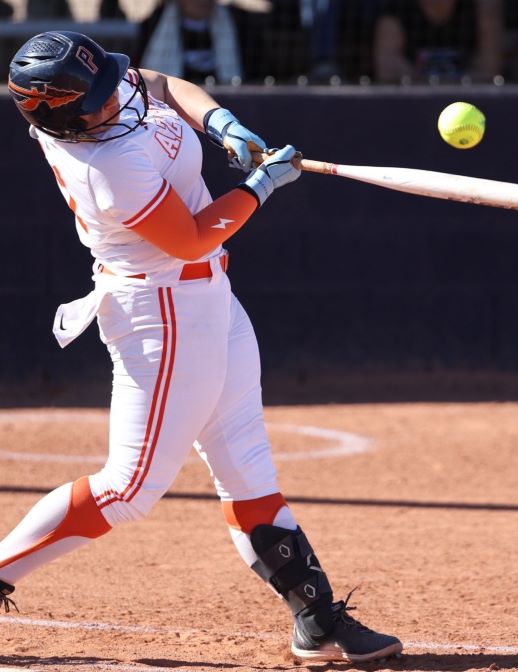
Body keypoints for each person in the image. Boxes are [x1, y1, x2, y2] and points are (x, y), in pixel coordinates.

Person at [0, 30, 402, 664]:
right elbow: (188, 239)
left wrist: (222, 122)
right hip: (160, 312)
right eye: (100, 97)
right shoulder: (105, 166)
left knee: (246, 465)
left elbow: (158, 83)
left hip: (209, 299)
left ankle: (317, 620)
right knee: (128, 489)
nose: (119, 96)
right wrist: (261, 186)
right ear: (63, 114)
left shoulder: (104, 95)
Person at [373, 0, 503, 83]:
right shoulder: (396, 12)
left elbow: (489, 69)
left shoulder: (481, 10)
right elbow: (388, 72)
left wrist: (457, 90)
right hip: (414, 105)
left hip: (472, 103)